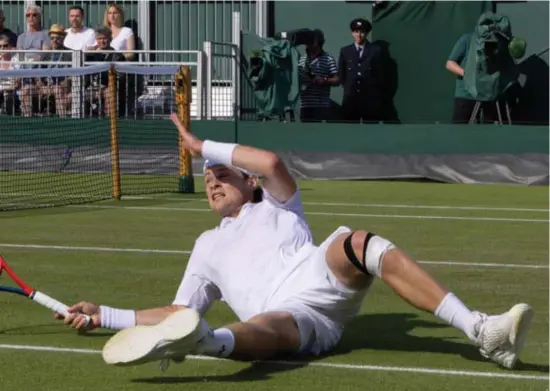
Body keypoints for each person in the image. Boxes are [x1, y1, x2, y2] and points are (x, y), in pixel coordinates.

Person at [59, 113, 533, 371]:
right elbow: (176, 312)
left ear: (249, 183)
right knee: (258, 326)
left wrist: (204, 148)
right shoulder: (205, 246)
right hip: (287, 315)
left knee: (360, 242)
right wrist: (105, 315)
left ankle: (481, 331)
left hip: (317, 276)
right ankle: (209, 344)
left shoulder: (277, 203)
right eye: (207, 180)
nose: (212, 181)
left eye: (222, 174)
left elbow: (269, 160)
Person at [338, 18, 386, 123]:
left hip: (369, 100)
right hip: (350, 99)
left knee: (370, 131)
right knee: (349, 130)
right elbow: (342, 75)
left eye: (362, 32)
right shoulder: (345, 51)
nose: (359, 35)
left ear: (367, 33)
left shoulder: (375, 51)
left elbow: (380, 75)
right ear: (352, 33)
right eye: (356, 32)